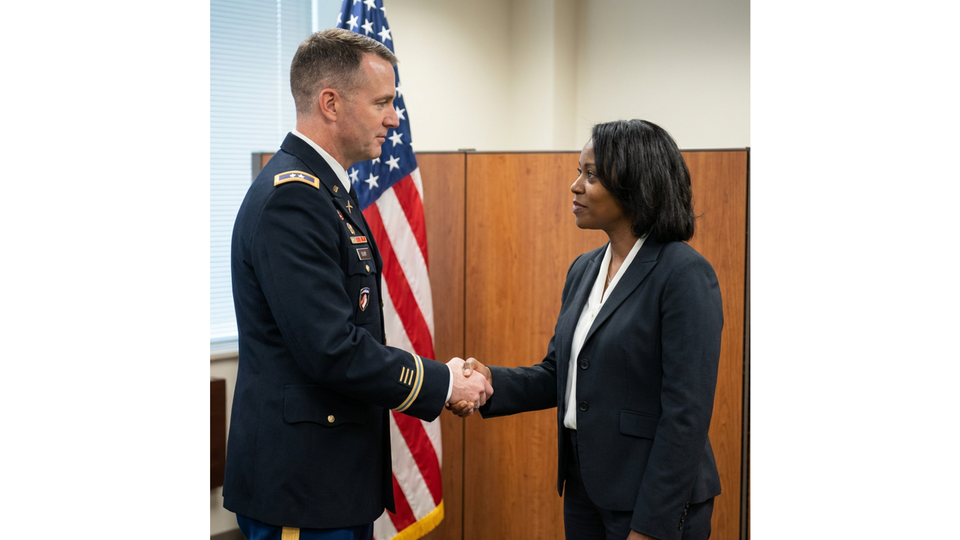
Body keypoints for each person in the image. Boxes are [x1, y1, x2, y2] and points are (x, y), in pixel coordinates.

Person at [223, 28, 492, 540]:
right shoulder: (294, 198)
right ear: (330, 103)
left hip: (331, 479)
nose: (394, 118)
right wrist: (444, 382)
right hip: (301, 489)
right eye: (383, 102)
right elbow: (330, 348)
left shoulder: (328, 191)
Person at [451, 119, 723, 540]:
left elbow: (686, 416)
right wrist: (491, 382)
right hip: (585, 489)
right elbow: (560, 373)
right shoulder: (584, 269)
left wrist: (651, 525)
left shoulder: (683, 273)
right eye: (578, 171)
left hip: (652, 500)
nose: (576, 186)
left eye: (591, 175)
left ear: (636, 184)